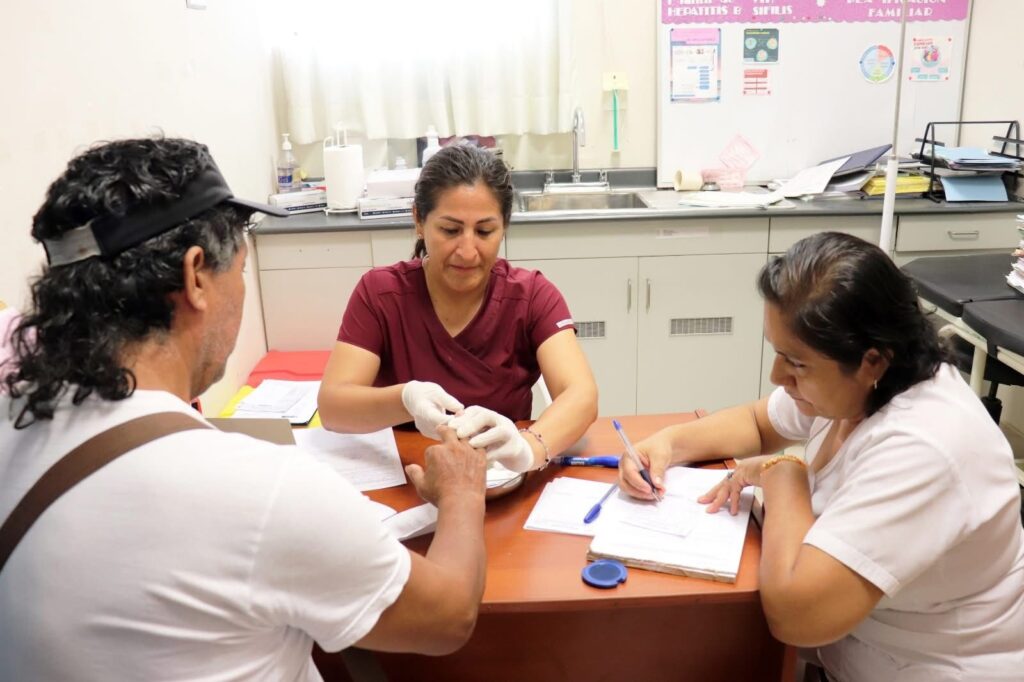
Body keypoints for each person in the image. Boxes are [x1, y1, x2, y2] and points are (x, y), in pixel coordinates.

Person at [0, 138, 488, 681]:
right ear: (196, 277)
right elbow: (447, 617)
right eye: (240, 268)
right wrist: (464, 491)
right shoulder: (257, 491)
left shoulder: (10, 426)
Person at [620, 232, 1024, 681]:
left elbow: (798, 616)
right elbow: (759, 423)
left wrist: (784, 472)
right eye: (778, 354)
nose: (777, 376)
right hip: (854, 651)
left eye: (795, 363)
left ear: (872, 361)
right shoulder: (858, 387)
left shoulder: (925, 446)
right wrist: (668, 443)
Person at [318, 144, 598, 473]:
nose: (467, 251)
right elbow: (333, 406)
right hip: (407, 475)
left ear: (504, 226)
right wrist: (405, 399)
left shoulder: (532, 296)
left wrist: (526, 448)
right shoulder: (381, 294)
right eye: (450, 230)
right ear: (419, 221)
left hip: (497, 477)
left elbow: (581, 394)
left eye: (484, 231)